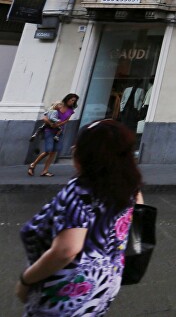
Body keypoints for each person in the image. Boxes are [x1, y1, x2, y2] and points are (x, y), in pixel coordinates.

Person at [16, 119, 143, 316]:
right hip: (105, 284)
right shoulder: (131, 188)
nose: (74, 148)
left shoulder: (80, 191)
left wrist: (26, 280)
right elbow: (137, 218)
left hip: (67, 289)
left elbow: (66, 251)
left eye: (78, 145)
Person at [28, 95, 78, 179]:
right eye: (71, 100)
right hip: (49, 130)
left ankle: (45, 171)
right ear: (67, 99)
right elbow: (45, 118)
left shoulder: (71, 110)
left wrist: (59, 124)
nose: (72, 102)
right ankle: (33, 164)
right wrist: (52, 124)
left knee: (54, 152)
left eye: (74, 101)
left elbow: (66, 120)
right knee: (48, 150)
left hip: (59, 132)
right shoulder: (57, 106)